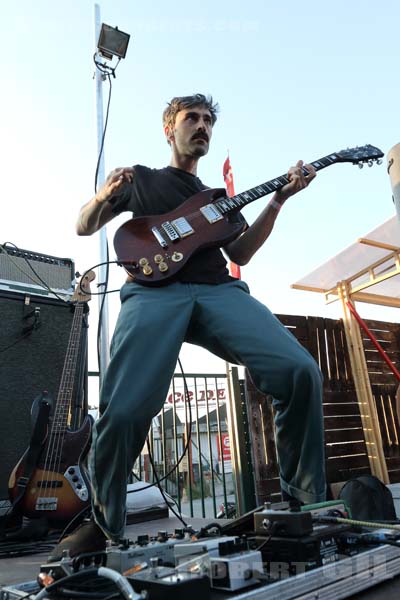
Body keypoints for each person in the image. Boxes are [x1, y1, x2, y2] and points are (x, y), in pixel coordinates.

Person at [49, 93, 326, 560]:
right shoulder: (143, 180)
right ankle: (100, 521)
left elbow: (239, 255)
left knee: (300, 371)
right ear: (169, 129)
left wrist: (278, 200)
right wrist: (102, 195)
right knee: (126, 409)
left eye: (207, 121)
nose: (201, 126)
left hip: (217, 290)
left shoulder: (218, 200)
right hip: (153, 292)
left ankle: (305, 505)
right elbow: (83, 225)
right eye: (191, 118)